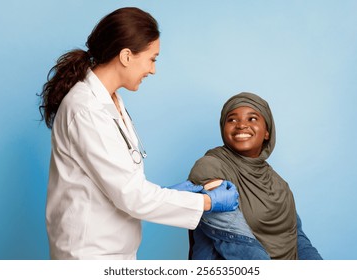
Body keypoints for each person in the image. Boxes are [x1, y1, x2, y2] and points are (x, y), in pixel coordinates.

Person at [38, 7, 239, 260]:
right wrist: (207, 203)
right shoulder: (85, 108)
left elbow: (122, 184)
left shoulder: (111, 101)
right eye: (152, 58)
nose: (153, 69)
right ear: (126, 56)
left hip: (116, 252)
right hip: (88, 256)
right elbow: (131, 196)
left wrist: (177, 195)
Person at [188, 92, 322, 260]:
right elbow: (234, 239)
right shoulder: (209, 167)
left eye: (252, 119)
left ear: (267, 132)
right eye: (232, 119)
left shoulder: (278, 183)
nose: (241, 125)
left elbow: (297, 238)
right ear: (223, 128)